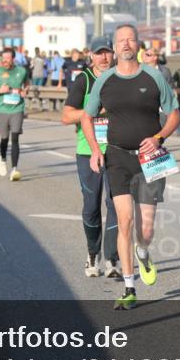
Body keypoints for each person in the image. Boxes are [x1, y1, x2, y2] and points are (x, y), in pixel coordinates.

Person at [81, 24, 180, 310]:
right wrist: (95, 151)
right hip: (118, 157)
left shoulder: (154, 76)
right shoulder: (105, 80)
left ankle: (143, 251)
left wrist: (159, 137)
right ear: (114, 47)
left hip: (151, 158)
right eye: (120, 41)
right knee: (124, 220)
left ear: (137, 44)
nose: (125, 44)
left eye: (130, 40)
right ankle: (128, 286)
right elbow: (87, 117)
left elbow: (174, 115)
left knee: (145, 229)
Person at [62, 35, 121, 279]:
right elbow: (66, 116)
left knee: (117, 205)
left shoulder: (120, 79)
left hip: (117, 150)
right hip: (88, 151)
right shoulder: (83, 81)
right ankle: (92, 254)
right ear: (91, 56)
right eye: (99, 53)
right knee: (91, 207)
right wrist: (94, 112)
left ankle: (112, 259)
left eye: (107, 52)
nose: (104, 57)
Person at [0, 47, 29, 181]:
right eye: (3, 58)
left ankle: (14, 169)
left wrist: (25, 91)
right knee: (4, 138)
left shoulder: (21, 71)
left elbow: (26, 83)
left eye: (7, 58)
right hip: (2, 110)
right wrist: (0, 90)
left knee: (15, 137)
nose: (5, 61)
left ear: (13, 59)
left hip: (17, 109)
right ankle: (3, 159)